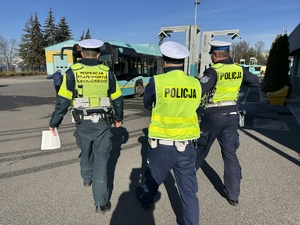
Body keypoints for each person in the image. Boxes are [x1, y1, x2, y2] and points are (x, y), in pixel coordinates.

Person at [48, 39, 124, 214]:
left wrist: (54, 123)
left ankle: (86, 179)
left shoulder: (72, 72)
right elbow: (118, 98)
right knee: (102, 161)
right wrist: (118, 118)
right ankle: (101, 203)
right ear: (98, 54)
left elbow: (63, 101)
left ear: (82, 54)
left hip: (82, 122)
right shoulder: (107, 72)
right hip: (103, 123)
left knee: (86, 151)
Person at [136, 41, 202, 225]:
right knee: (189, 192)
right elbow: (197, 106)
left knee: (152, 179)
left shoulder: (157, 81)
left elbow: (148, 103)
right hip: (186, 146)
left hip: (162, 147)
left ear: (164, 62)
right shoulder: (195, 83)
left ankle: (146, 201)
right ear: (183, 62)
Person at [196, 40, 260, 206]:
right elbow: (255, 82)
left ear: (216, 55)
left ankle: (186, 181)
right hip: (232, 115)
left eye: (212, 54)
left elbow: (200, 90)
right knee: (230, 154)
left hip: (213, 116)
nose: (211, 57)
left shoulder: (214, 71)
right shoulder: (239, 68)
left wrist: (200, 80)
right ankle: (233, 195)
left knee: (200, 149)